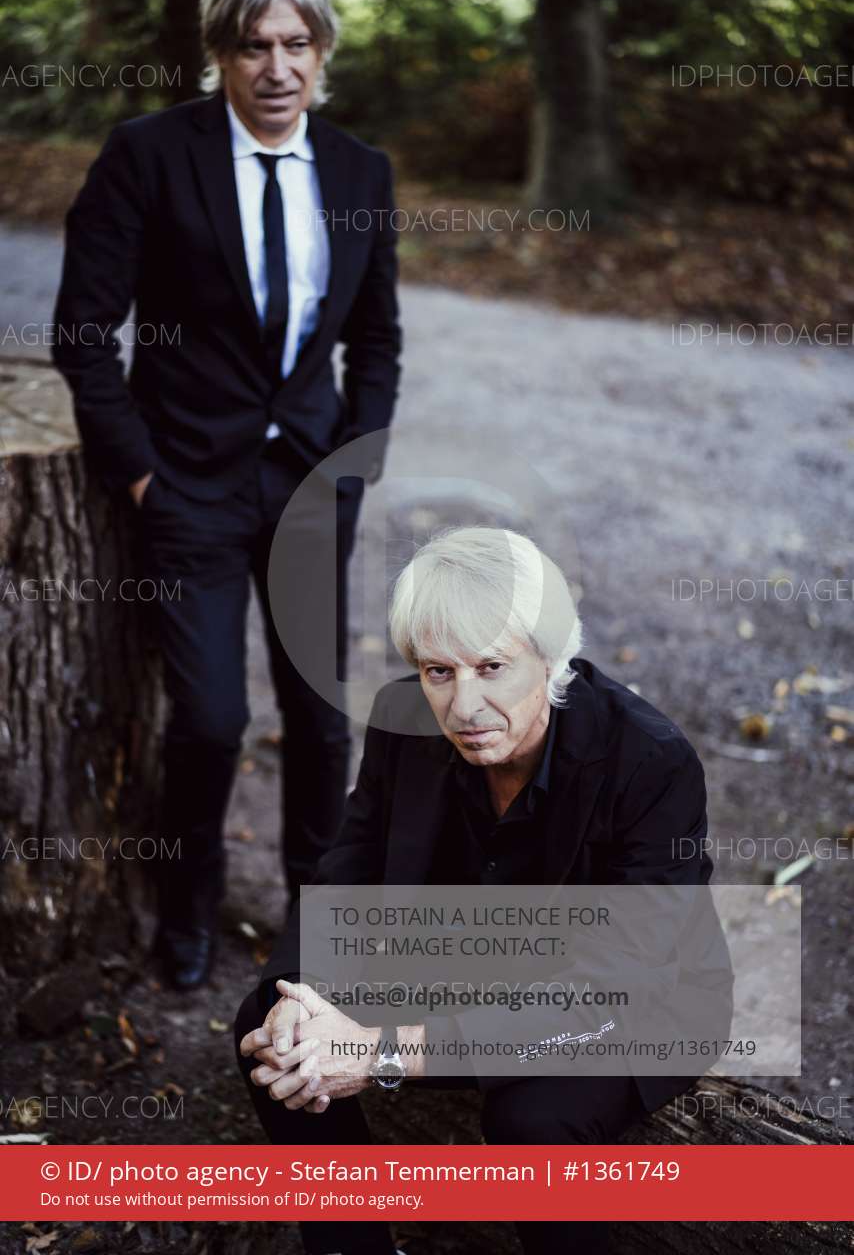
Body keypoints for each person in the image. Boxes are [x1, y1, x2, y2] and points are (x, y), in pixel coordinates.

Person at [234, 527, 732, 1255]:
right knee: (272, 1027)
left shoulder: (651, 762)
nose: (463, 705)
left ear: (551, 657)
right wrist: (300, 999)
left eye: (492, 667)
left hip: (624, 998)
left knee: (533, 1122)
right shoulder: (405, 719)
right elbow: (347, 873)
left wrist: (381, 1054)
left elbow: (615, 981)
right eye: (439, 671)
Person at [52, 0, 401, 989]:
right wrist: (139, 474)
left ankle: (315, 914)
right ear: (220, 54)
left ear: (322, 52)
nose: (277, 67)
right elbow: (83, 333)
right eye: (254, 45)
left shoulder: (359, 171)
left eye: (296, 44)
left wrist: (354, 461)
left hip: (310, 484)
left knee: (320, 719)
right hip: (186, 484)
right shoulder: (149, 154)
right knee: (208, 720)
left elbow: (377, 338)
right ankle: (186, 907)